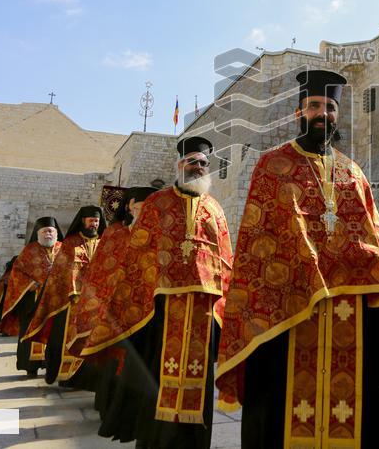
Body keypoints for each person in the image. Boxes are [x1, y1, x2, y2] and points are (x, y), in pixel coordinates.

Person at [216, 69, 379, 449]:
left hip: (350, 312)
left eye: (329, 107)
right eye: (313, 106)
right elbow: (256, 244)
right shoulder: (272, 166)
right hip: (290, 310)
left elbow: (375, 236)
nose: (321, 114)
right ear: (299, 113)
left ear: (337, 115)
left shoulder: (353, 172)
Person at [83, 144, 233, 447]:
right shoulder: (158, 203)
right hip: (162, 309)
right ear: (179, 166)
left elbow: (226, 258)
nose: (198, 167)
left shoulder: (216, 209)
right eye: (191, 161)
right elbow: (138, 252)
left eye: (203, 163)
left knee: (199, 381)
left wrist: (226, 306)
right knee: (156, 375)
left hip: (204, 310)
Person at [66, 185, 154, 429]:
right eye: (142, 206)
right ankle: (110, 407)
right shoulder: (115, 233)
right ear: (130, 206)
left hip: (146, 311)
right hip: (114, 310)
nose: (147, 212)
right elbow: (102, 272)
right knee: (114, 363)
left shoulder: (155, 235)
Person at [23, 206, 105, 385]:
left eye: (97, 221)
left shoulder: (104, 243)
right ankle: (66, 376)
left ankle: (87, 379)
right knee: (65, 338)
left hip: (96, 303)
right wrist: (74, 290)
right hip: (71, 302)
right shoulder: (70, 243)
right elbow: (63, 271)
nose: (94, 224)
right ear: (83, 221)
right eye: (91, 220)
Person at [0, 217, 62, 376]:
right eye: (45, 231)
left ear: (56, 233)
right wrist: (30, 284)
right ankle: (30, 366)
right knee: (30, 333)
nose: (48, 234)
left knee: (55, 335)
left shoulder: (63, 248)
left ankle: (51, 365)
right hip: (32, 302)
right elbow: (17, 272)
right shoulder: (29, 250)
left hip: (56, 301)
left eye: (51, 231)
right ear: (38, 233)